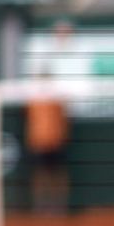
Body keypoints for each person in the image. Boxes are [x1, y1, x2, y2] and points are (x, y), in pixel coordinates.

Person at [24, 74, 71, 216]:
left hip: (55, 141)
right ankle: (41, 206)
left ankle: (59, 206)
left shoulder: (58, 98)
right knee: (40, 174)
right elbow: (30, 119)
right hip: (39, 141)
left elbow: (63, 118)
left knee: (57, 174)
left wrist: (60, 136)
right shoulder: (33, 99)